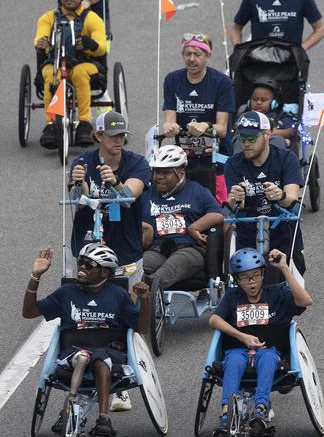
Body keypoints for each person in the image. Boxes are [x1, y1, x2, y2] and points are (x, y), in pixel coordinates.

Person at [22, 244, 150, 437]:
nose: (81, 267)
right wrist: (36, 276)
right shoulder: (66, 293)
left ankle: (103, 420)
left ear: (103, 271)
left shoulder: (118, 295)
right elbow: (29, 312)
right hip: (73, 351)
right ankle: (70, 407)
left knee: (100, 361)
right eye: (80, 262)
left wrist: (145, 300)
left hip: (108, 353)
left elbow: (141, 329)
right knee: (85, 356)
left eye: (89, 265)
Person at [70, 111, 151, 411]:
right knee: (86, 317)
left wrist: (116, 183)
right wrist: (80, 185)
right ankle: (81, 371)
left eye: (122, 135)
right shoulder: (82, 163)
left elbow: (130, 195)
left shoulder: (137, 163)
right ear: (98, 137)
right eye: (113, 135)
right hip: (88, 252)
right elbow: (81, 200)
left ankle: (122, 383)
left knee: (125, 318)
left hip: (125, 252)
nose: (119, 140)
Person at [210, 247, 312, 437]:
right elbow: (214, 320)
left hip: (268, 350)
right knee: (233, 362)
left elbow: (305, 300)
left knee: (267, 359)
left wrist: (284, 268)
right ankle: (226, 413)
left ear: (263, 274)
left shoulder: (276, 293)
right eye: (245, 278)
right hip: (238, 349)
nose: (251, 282)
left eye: (255, 276)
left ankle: (260, 410)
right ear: (237, 279)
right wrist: (242, 337)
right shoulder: (232, 296)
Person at [225, 110, 305, 280]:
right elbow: (232, 208)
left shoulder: (286, 158)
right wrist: (235, 199)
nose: (246, 143)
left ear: (267, 134)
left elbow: (292, 199)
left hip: (282, 230)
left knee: (289, 280)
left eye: (252, 138)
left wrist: (280, 195)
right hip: (248, 232)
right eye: (241, 138)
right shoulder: (233, 164)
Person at [162, 32, 236, 204]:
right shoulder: (172, 80)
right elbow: (170, 119)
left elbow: (222, 129)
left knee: (217, 205)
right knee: (185, 203)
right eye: (188, 54)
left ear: (208, 55)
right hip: (185, 154)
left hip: (217, 155)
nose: (192, 59)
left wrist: (206, 126)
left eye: (197, 54)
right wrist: (170, 127)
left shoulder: (222, 82)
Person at [34, 0, 107, 148]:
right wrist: (41, 43)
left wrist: (91, 44)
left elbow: (102, 46)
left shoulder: (92, 18)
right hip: (55, 63)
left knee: (81, 74)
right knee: (52, 77)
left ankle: (84, 123)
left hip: (83, 62)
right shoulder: (48, 18)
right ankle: (51, 124)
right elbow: (40, 36)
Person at [141, 145, 224, 289]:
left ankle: (147, 288)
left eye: (166, 172)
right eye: (156, 172)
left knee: (174, 264)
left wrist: (194, 227)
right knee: (140, 265)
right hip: (157, 248)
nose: (159, 177)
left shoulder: (197, 190)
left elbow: (217, 214)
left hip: (189, 248)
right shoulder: (147, 194)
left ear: (180, 172)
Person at [231, 0, 324, 51]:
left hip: (291, 64)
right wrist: (239, 50)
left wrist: (300, 50)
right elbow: (236, 28)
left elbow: (320, 29)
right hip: (259, 64)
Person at [232, 77, 296, 153]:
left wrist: (266, 132)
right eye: (255, 99)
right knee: (238, 138)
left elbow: (290, 131)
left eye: (263, 100)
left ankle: (275, 163)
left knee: (277, 139)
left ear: (274, 103)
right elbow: (236, 126)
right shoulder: (245, 113)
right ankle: (239, 163)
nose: (258, 102)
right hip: (248, 141)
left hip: (271, 141)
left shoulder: (280, 115)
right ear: (249, 100)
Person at [36, 0, 115, 35]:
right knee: (60, 51)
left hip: (96, 13)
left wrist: (88, 1)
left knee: (99, 50)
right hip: (66, 13)